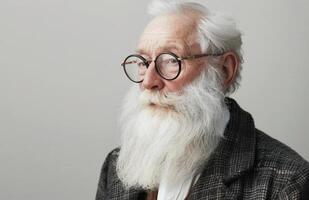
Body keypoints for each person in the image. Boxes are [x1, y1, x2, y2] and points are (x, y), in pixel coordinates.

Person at [95, 1, 309, 199]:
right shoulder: (115, 168)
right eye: (143, 62)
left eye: (171, 60)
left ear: (224, 70)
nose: (148, 82)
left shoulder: (287, 182)